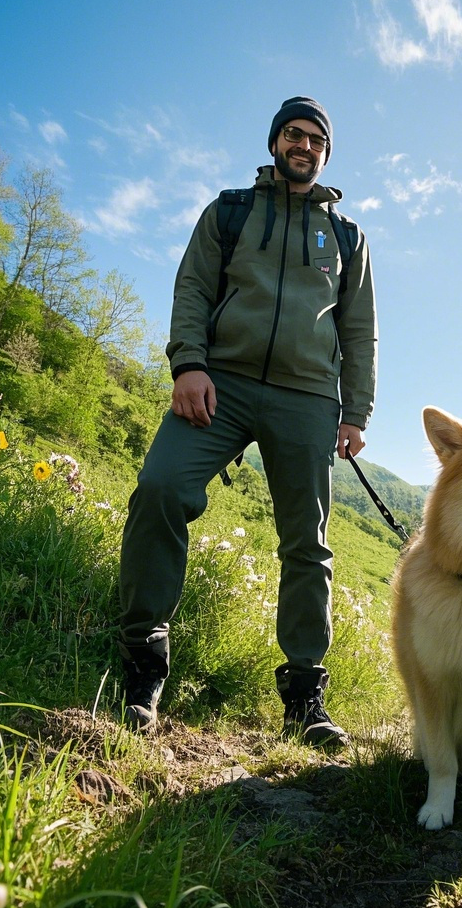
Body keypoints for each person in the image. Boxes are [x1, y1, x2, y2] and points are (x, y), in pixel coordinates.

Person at [116, 96, 377, 746]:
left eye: (317, 139)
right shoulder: (230, 211)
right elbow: (194, 289)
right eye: (295, 134)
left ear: (326, 153)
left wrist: (355, 412)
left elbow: (360, 330)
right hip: (220, 384)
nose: (305, 145)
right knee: (160, 488)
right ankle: (144, 664)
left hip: (309, 398)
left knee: (306, 544)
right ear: (274, 142)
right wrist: (188, 364)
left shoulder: (346, 236)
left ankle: (305, 700)